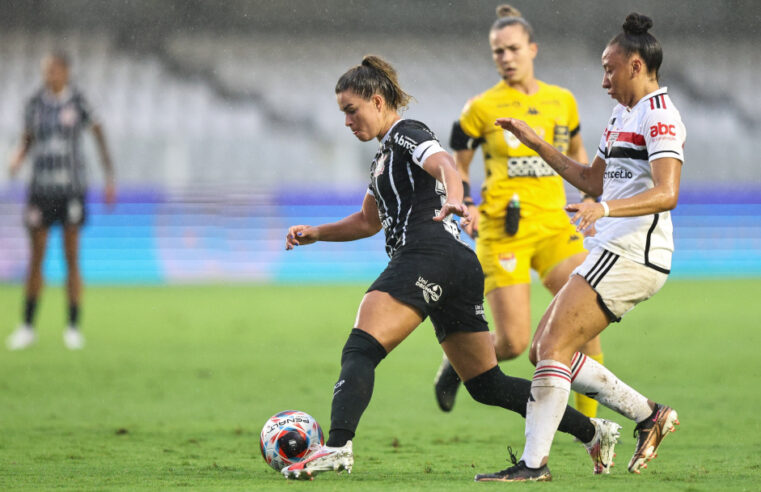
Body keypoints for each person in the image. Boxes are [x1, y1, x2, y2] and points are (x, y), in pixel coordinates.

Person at [280, 55, 621, 481]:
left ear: (377, 100)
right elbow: (368, 221)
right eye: (343, 114)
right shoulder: (382, 159)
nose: (347, 121)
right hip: (457, 265)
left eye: (352, 110)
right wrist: (317, 232)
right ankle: (595, 431)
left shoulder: (407, 133)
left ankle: (337, 446)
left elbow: (443, 163)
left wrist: (455, 196)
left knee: (361, 348)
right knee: (487, 385)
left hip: (428, 254)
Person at [475, 13, 684, 482]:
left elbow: (668, 191)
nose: (604, 79)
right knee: (541, 351)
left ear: (635, 65)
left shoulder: (661, 116)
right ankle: (649, 415)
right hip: (613, 251)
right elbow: (592, 179)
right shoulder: (621, 115)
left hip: (635, 255)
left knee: (551, 346)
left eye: (609, 69)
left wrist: (604, 210)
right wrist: (535, 144)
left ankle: (534, 465)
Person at [434, 4, 604, 419]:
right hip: (502, 229)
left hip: (553, 225)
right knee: (512, 343)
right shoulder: (480, 108)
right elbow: (456, 165)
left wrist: (589, 196)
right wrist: (467, 204)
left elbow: (579, 155)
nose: (505, 58)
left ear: (532, 48)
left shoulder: (562, 101)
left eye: (512, 49)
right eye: (497, 52)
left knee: (587, 321)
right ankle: (456, 365)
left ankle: (594, 432)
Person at [5, 52, 116, 351]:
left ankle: (72, 327)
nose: (49, 75)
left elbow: (99, 135)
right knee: (36, 258)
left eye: (54, 70)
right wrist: (17, 157)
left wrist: (109, 177)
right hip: (40, 189)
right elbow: (27, 138)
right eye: (46, 71)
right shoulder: (34, 104)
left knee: (71, 257)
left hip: (71, 190)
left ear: (66, 71)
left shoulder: (79, 102)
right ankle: (27, 327)